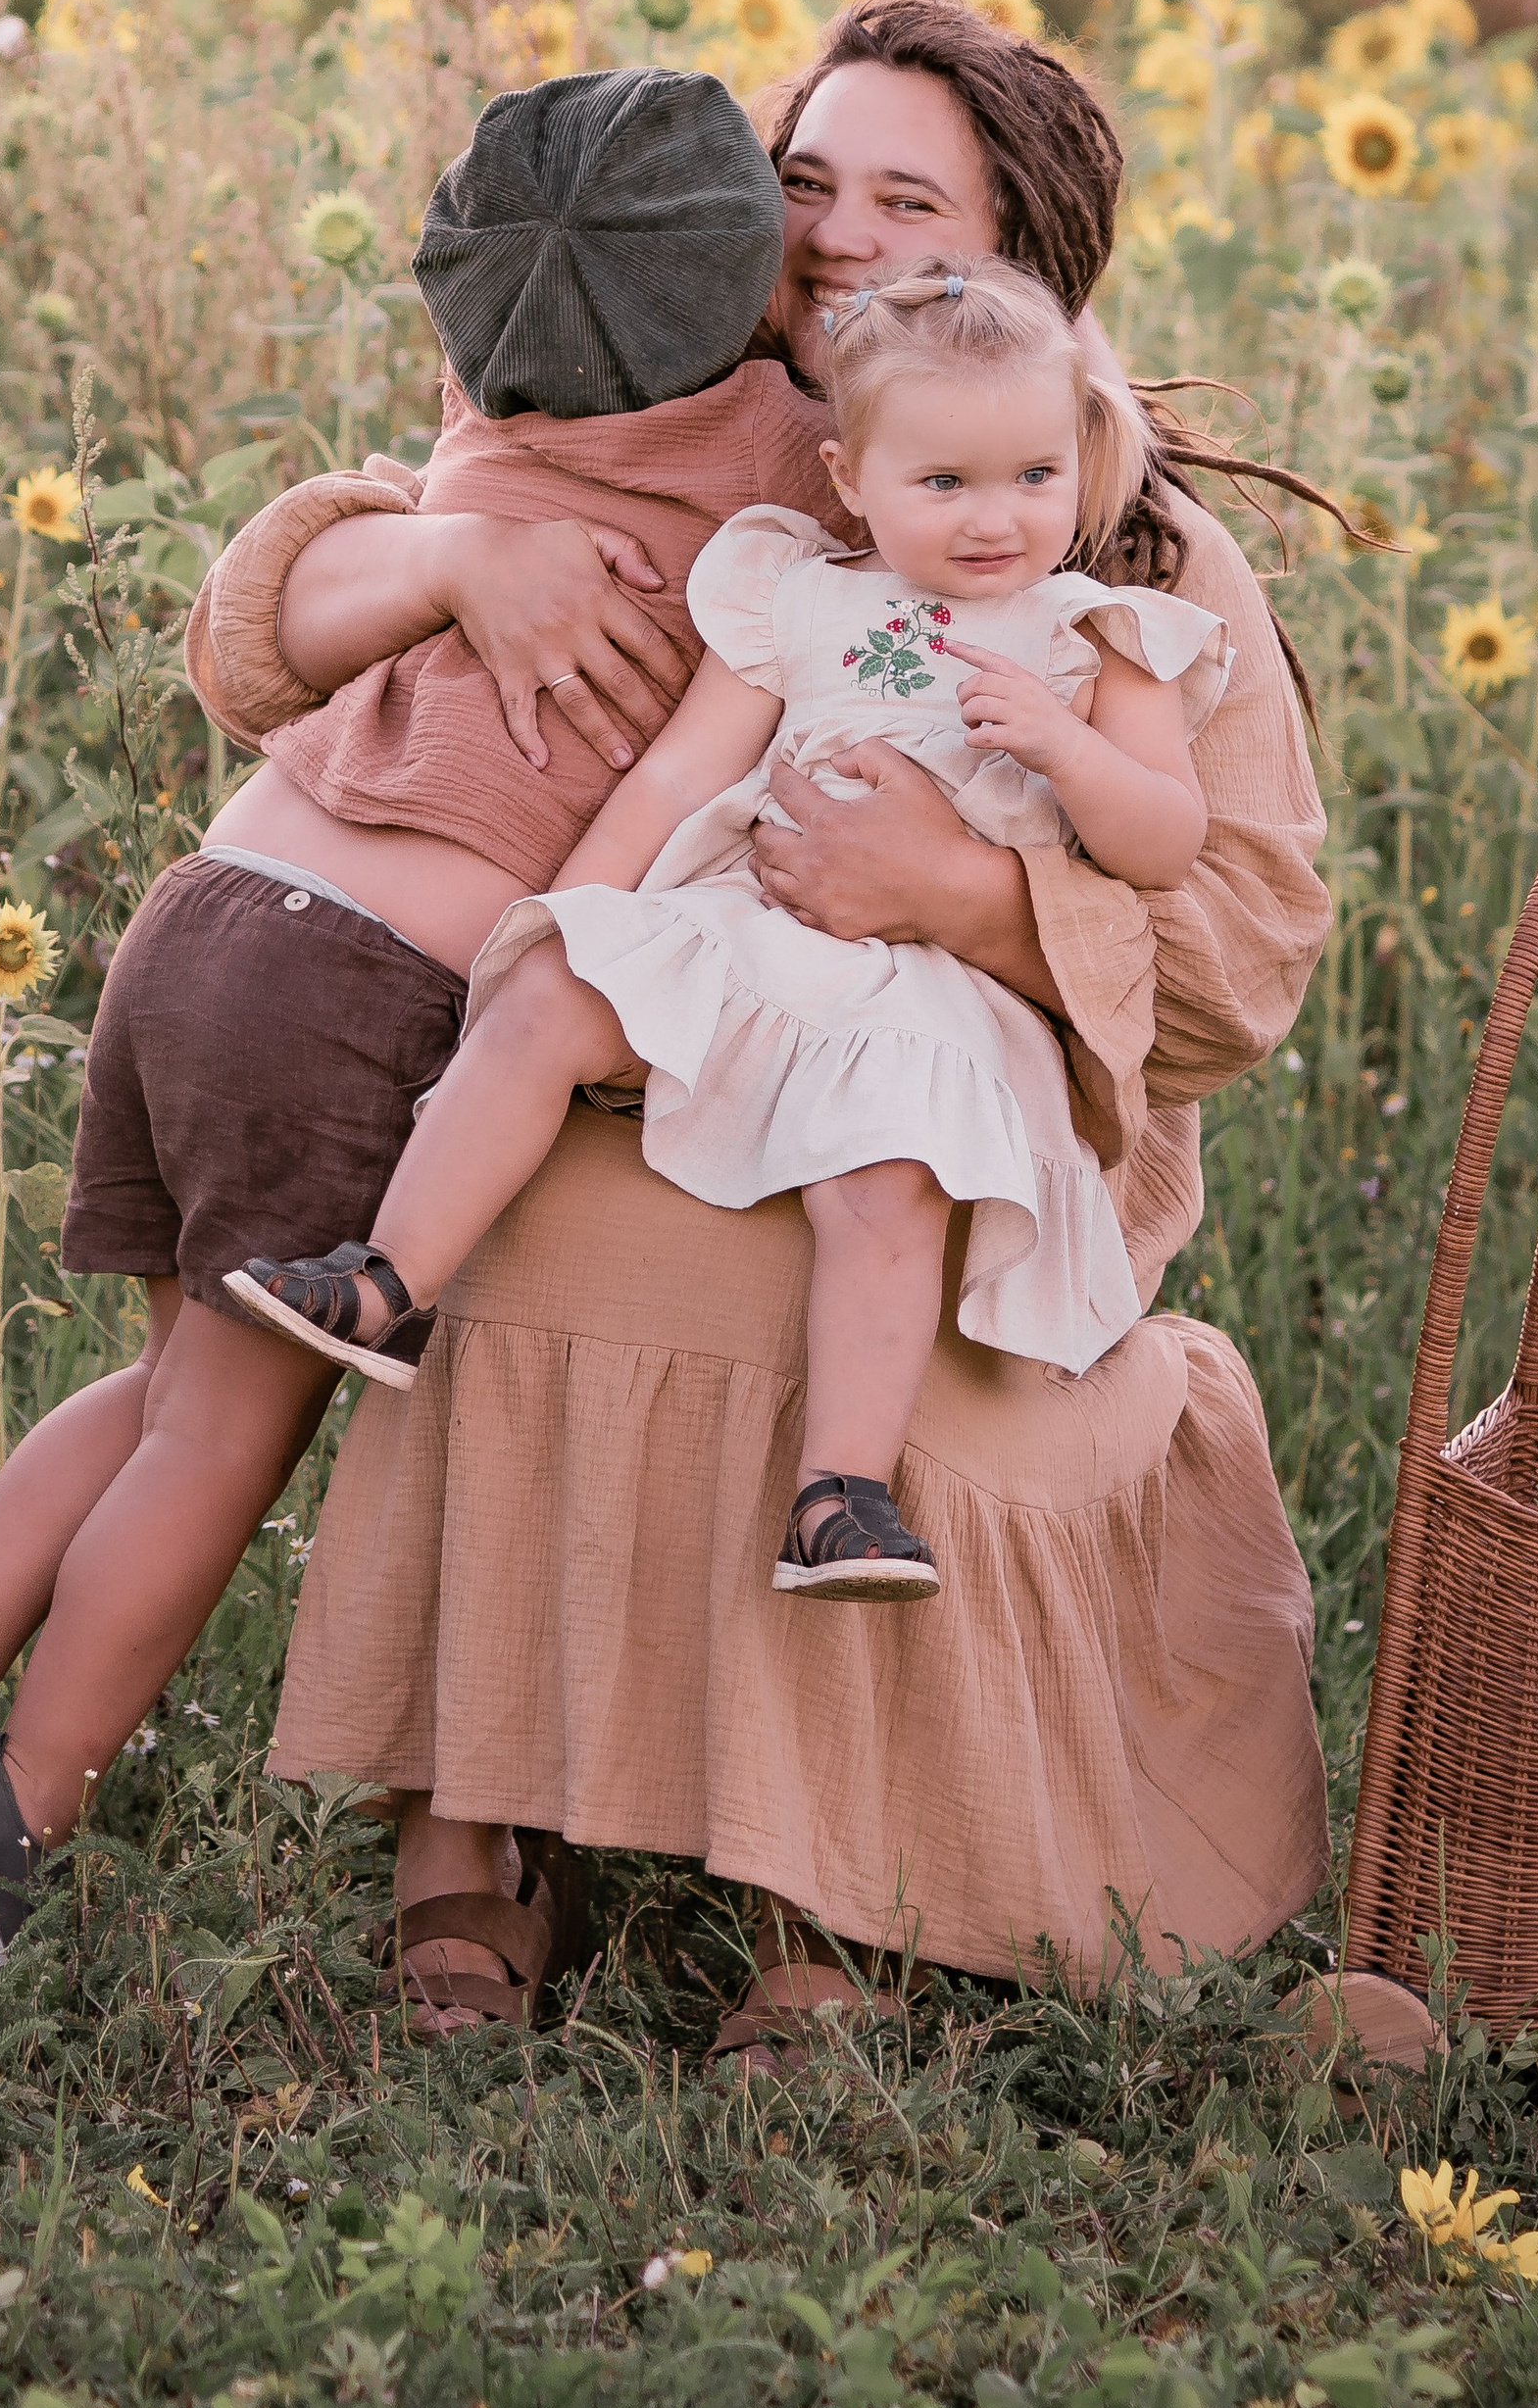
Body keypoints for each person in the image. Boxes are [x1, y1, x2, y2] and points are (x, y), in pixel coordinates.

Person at [189, 0, 1335, 2052]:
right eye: (801, 178)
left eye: (906, 200)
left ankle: (858, 1900)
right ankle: (472, 1829)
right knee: (530, 1240)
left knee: (889, 1304)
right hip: (667, 1067)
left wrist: (973, 895)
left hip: (961, 1115)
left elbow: (1243, 955)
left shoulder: (1119, 549)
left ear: (1021, 265)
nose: (831, 236)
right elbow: (260, 630)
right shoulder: (664, 410)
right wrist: (447, 551)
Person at [0, 62, 860, 1976]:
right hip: (357, 982)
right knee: (224, 1435)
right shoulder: (795, 452)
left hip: (204, 914)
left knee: (165, 1390)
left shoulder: (491, 401)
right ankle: (6, 1815)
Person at [231, 257, 1229, 1608]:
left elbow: (1164, 839)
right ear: (851, 475)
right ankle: (387, 1280)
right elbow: (675, 778)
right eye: (944, 484)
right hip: (753, 925)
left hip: (926, 987)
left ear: (1080, 463)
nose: (997, 520)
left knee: (887, 1187)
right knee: (547, 999)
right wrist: (564, 921)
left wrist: (1070, 748)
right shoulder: (795, 592)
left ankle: (843, 1493)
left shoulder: (1095, 638)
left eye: (1035, 478)